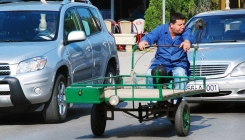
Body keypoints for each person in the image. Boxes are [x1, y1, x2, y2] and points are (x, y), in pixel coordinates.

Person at [138, 12, 193, 92]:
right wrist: (144, 41)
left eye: (183, 24)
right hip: (161, 62)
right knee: (149, 74)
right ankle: (152, 101)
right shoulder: (160, 29)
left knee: (180, 75)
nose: (182, 27)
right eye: (180, 25)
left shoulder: (185, 30)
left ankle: (177, 101)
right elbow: (150, 36)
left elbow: (188, 36)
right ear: (171, 25)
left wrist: (187, 42)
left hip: (178, 63)